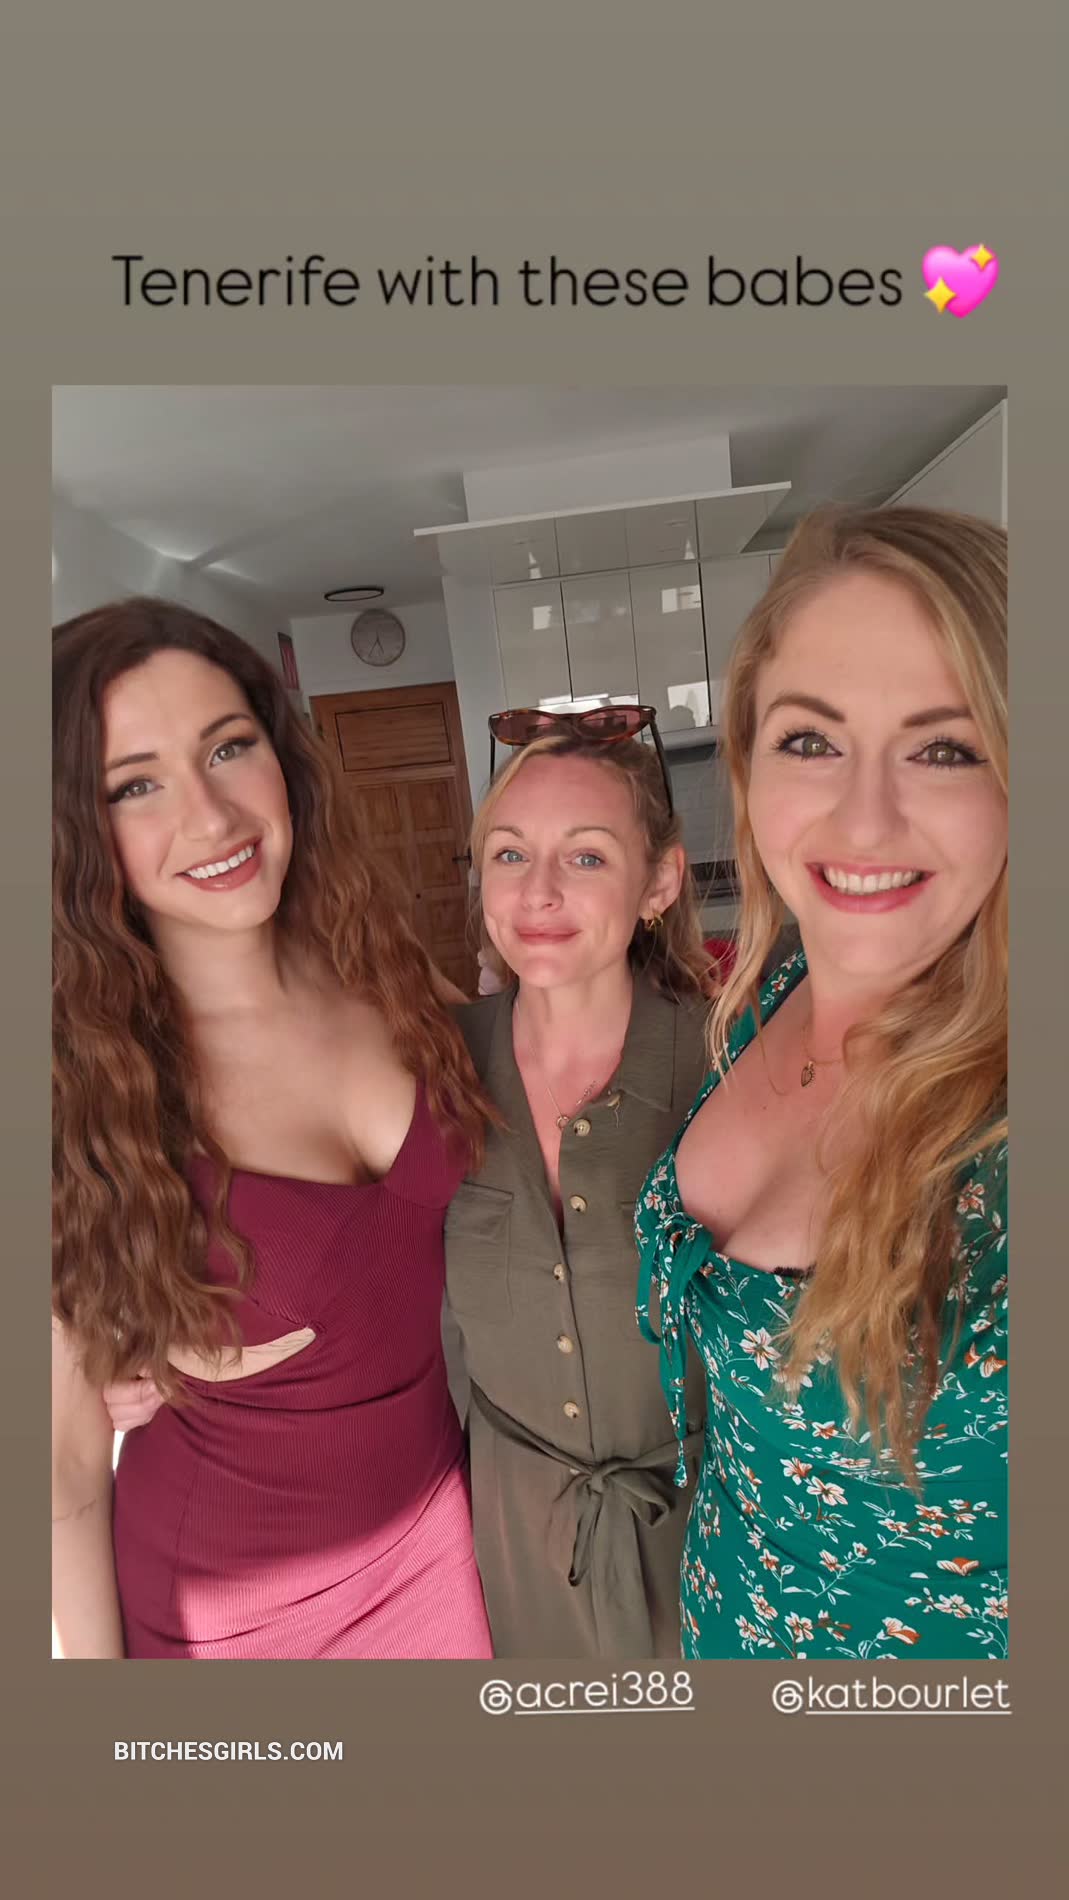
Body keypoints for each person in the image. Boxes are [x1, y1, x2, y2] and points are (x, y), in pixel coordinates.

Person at [52, 597, 494, 1660]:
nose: (212, 817)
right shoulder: (72, 1087)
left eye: (228, 748)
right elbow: (60, 1467)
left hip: (442, 1537)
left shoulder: (383, 966)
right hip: (234, 1610)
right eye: (135, 785)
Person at [635, 505, 1009, 1660]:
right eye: (810, 741)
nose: (863, 817)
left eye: (944, 748)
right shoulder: (773, 988)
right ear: (748, 764)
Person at [444, 727, 714, 1657]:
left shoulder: (733, 1061)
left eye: (586, 856)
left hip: (712, 1532)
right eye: (509, 854)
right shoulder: (430, 1064)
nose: (538, 892)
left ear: (659, 883)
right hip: (515, 1547)